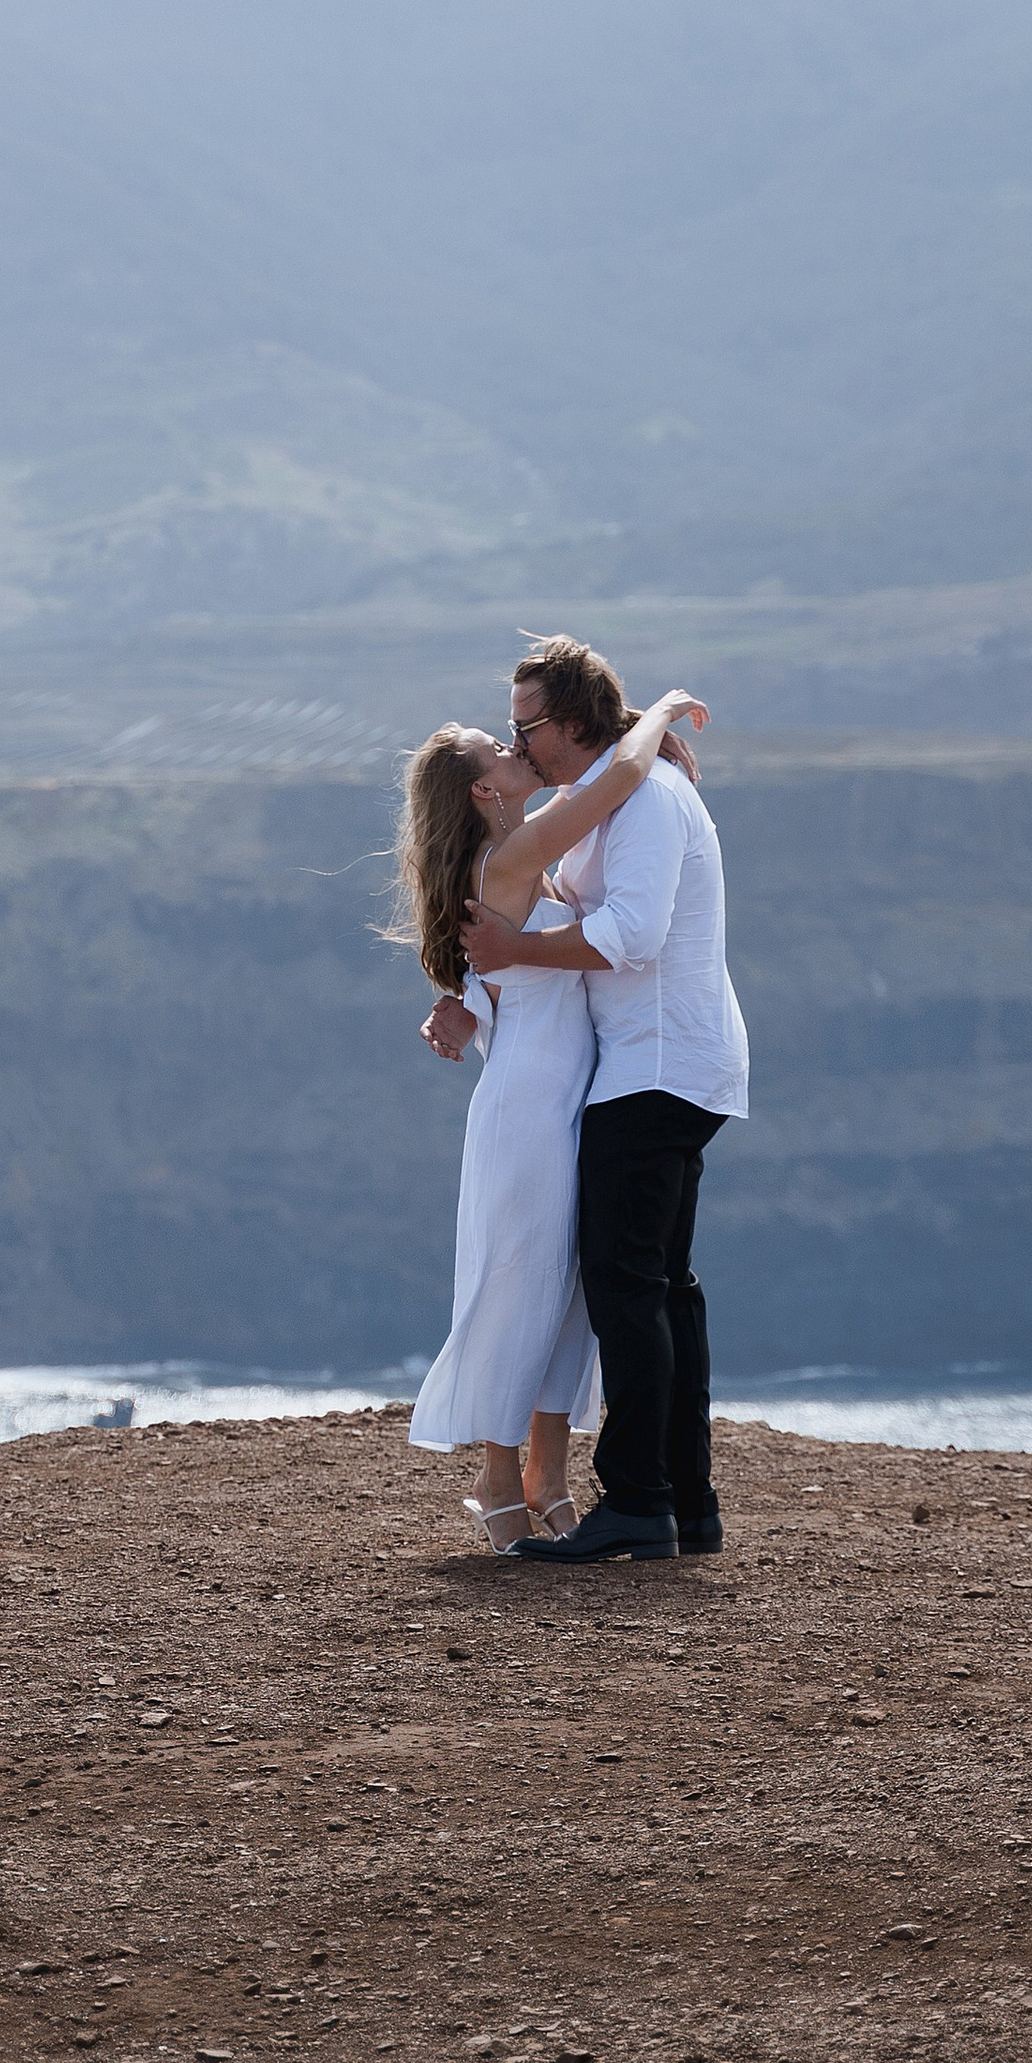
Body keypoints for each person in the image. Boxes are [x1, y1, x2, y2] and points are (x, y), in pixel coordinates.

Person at [392, 686, 709, 1553]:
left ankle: (547, 1478)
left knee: (568, 1291)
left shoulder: (518, 856)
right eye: (499, 748)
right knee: (522, 1285)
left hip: (569, 1096)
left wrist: (464, 1005)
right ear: (482, 793)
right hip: (532, 1107)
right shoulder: (515, 855)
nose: (515, 749)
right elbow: (621, 777)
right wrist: (659, 713)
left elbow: (513, 980)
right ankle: (499, 1482)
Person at [461, 634, 749, 1564]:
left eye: (527, 726)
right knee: (664, 1289)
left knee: (629, 1287)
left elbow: (631, 933)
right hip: (656, 1063)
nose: (520, 743)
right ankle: (684, 1501)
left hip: (655, 1066)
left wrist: (514, 955)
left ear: (575, 722)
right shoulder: (611, 802)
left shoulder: (649, 802)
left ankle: (637, 1501)